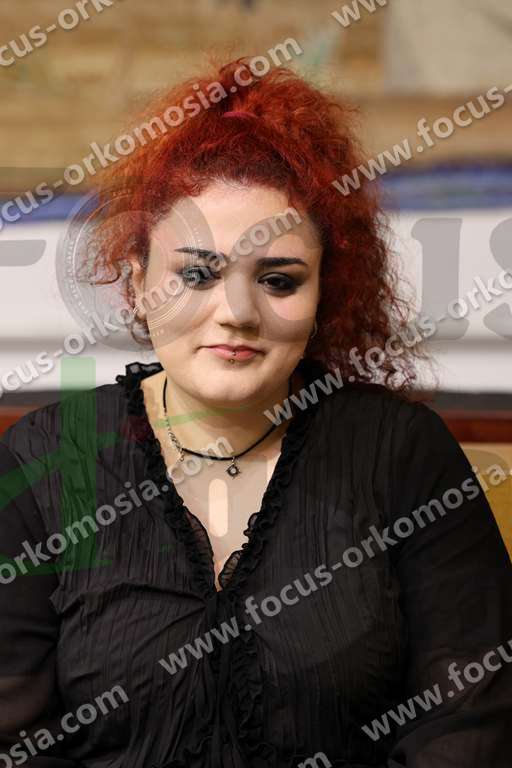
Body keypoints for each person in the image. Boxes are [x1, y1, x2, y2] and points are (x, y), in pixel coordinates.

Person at [1, 58, 511, 768]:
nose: (236, 312)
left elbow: (468, 726)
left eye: (277, 280)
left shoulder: (399, 453)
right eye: (196, 273)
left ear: (325, 292)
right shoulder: (52, 456)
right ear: (138, 281)